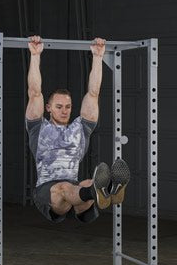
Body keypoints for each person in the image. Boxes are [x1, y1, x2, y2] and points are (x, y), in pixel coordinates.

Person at [25, 35, 130, 223]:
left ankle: (102, 191)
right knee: (65, 188)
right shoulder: (38, 128)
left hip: (75, 191)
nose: (64, 111)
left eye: (68, 107)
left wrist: (97, 57)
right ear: (48, 108)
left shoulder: (80, 128)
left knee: (88, 182)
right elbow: (34, 93)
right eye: (59, 106)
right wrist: (35, 55)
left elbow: (93, 94)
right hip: (48, 193)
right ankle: (106, 190)